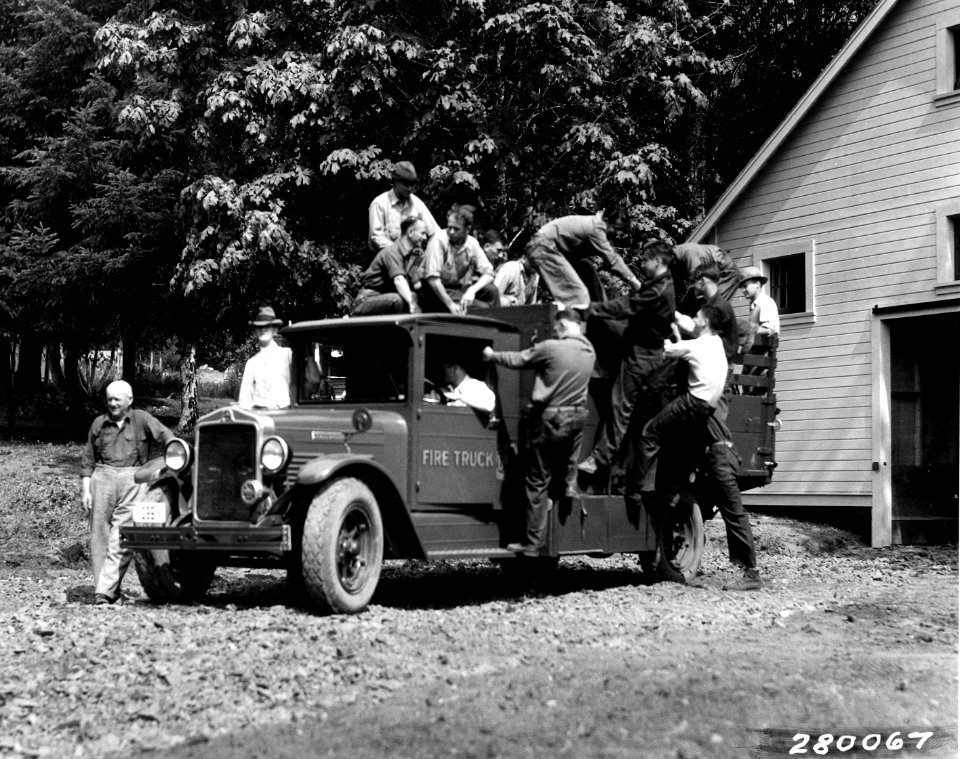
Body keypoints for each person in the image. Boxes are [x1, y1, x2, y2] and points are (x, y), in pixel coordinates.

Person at [625, 304, 762, 591]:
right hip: (704, 447)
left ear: (708, 323)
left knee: (732, 508)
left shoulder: (699, 358)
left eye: (699, 316)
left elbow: (672, 348)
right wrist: (671, 314)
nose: (694, 319)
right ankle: (655, 546)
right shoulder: (716, 350)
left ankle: (751, 573)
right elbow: (685, 328)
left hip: (718, 452)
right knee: (673, 491)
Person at [482, 308, 596, 555]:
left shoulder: (552, 348)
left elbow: (519, 360)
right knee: (569, 457)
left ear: (564, 325)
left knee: (536, 481)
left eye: (556, 329)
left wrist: (492, 355)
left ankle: (533, 543)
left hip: (550, 420)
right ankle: (568, 486)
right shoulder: (589, 352)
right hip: (577, 419)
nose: (554, 333)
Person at [578, 240, 676, 478]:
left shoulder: (658, 290)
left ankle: (601, 459)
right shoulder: (660, 284)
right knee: (637, 412)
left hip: (641, 355)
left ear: (658, 261)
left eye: (645, 260)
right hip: (648, 353)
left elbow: (627, 305)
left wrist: (592, 310)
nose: (642, 263)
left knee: (620, 405)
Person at [81, 380, 172, 604]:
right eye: (109, 399)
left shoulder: (142, 419)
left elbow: (166, 436)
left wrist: (174, 457)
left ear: (129, 400)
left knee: (122, 535)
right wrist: (86, 490)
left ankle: (104, 590)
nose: (112, 403)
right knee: (99, 536)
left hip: (134, 479)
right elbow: (88, 460)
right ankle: (105, 590)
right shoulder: (98, 424)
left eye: (117, 399)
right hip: (102, 478)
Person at [524, 204, 642, 310]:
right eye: (615, 228)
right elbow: (613, 260)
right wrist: (635, 282)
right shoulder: (596, 228)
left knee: (586, 269)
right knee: (578, 295)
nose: (617, 233)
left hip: (547, 248)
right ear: (606, 220)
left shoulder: (594, 224)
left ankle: (601, 310)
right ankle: (573, 326)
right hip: (543, 248)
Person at [419, 204, 500, 314]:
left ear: (468, 229)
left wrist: (472, 290)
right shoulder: (438, 240)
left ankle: (498, 323)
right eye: (449, 227)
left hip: (457, 288)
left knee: (491, 291)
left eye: (456, 229)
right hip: (433, 291)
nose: (451, 232)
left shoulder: (472, 243)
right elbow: (433, 280)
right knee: (481, 308)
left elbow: (489, 273)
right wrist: (451, 305)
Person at [352, 217, 427, 315]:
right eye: (422, 233)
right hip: (366, 300)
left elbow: (417, 285)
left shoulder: (408, 257)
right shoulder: (392, 252)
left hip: (384, 298)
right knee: (399, 300)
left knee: (414, 297)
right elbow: (399, 280)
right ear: (410, 232)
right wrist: (412, 305)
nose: (425, 237)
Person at [367, 161, 439, 252]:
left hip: (412, 261)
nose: (409, 189)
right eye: (406, 184)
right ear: (395, 182)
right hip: (385, 260)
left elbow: (435, 233)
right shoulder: (380, 204)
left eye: (412, 184)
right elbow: (376, 238)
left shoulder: (416, 203)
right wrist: (402, 251)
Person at [238, 306, 293, 409]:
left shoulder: (287, 355)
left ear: (275, 330)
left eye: (267, 326)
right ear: (255, 331)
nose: (263, 329)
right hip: (260, 416)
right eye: (259, 327)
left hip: (284, 415)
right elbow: (244, 399)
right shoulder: (252, 363)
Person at [671, 242, 741, 315]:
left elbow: (696, 279)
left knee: (714, 309)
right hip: (714, 272)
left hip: (726, 271)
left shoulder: (688, 253)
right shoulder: (675, 258)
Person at [426, 360, 496, 413]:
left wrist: (459, 397)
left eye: (446, 368)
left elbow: (490, 405)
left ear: (455, 369)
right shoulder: (451, 388)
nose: (444, 371)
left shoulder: (474, 385)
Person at [739, 265, 780, 337]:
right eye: (742, 288)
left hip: (765, 346)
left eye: (745, 286)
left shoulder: (764, 302)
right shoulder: (754, 304)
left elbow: (768, 329)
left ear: (757, 284)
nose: (743, 290)